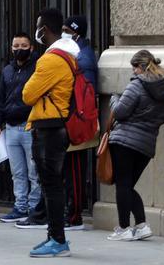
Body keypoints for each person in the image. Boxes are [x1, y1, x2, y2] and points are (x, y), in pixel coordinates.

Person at [21, 8, 79, 257]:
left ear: (45, 29)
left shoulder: (51, 59)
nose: (37, 31)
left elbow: (27, 94)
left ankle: (58, 239)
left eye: (38, 27)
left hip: (49, 127)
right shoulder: (66, 57)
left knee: (51, 186)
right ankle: (54, 237)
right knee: (52, 185)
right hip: (55, 126)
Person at [106, 50, 164, 242]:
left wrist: (113, 99)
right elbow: (163, 116)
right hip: (146, 145)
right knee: (128, 185)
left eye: (134, 67)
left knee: (123, 185)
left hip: (125, 141)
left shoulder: (136, 85)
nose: (133, 71)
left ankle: (124, 228)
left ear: (141, 67)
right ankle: (142, 225)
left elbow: (119, 112)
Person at [0, 32, 41, 223]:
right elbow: (1, 98)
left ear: (31, 47)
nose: (19, 49)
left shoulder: (37, 68)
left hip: (29, 126)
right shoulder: (7, 70)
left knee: (34, 172)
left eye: (23, 46)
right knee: (18, 172)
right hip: (11, 128)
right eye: (15, 46)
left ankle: (33, 207)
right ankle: (20, 206)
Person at [61, 15, 98, 231]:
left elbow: (86, 92)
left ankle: (74, 214)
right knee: (68, 169)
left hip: (76, 119)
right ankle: (70, 210)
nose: (64, 33)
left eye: (67, 29)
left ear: (76, 32)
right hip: (70, 117)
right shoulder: (75, 53)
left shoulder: (82, 57)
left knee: (74, 169)